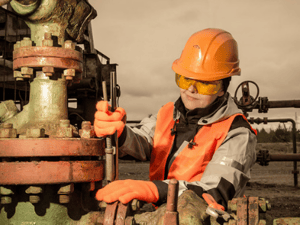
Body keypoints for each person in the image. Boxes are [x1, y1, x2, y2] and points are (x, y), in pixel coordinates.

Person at [94, 28, 257, 209]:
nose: (191, 90)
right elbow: (144, 142)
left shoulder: (237, 133)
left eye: (204, 83)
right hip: (163, 213)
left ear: (222, 88)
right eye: (185, 79)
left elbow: (214, 191)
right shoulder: (168, 113)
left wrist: (157, 190)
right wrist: (120, 132)